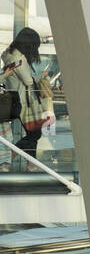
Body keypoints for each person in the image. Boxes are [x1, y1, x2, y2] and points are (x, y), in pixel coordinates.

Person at [1, 26, 45, 167]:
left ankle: (31, 166)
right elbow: (28, 81)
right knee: (34, 134)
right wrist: (41, 76)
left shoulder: (9, 54)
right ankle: (11, 157)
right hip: (25, 101)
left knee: (33, 134)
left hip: (17, 98)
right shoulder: (18, 58)